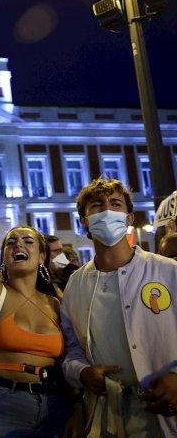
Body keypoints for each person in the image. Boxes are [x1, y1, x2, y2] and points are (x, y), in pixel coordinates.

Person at [0, 145, 83, 437]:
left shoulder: (59, 302)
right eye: (11, 242)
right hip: (1, 407)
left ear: (42, 256)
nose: (19, 245)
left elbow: (72, 356)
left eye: (27, 241)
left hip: (54, 405)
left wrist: (77, 407)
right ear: (4, 256)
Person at [61, 178, 177, 436]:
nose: (108, 211)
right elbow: (70, 348)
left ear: (129, 218)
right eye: (97, 206)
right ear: (84, 221)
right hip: (108, 415)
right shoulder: (75, 285)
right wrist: (82, 373)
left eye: (115, 204)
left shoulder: (167, 271)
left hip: (166, 412)